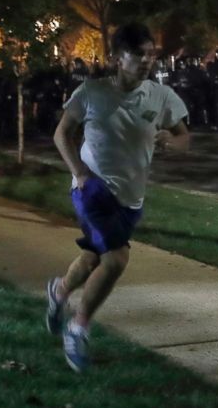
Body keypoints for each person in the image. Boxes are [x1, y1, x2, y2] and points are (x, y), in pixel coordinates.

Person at [47, 22, 189, 372]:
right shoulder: (92, 92)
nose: (146, 61)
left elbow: (185, 136)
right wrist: (80, 173)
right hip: (92, 189)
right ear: (116, 58)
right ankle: (77, 329)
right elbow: (61, 134)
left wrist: (173, 142)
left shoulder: (161, 96)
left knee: (94, 259)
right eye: (138, 54)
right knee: (117, 259)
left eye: (151, 55)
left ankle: (60, 292)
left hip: (131, 199)